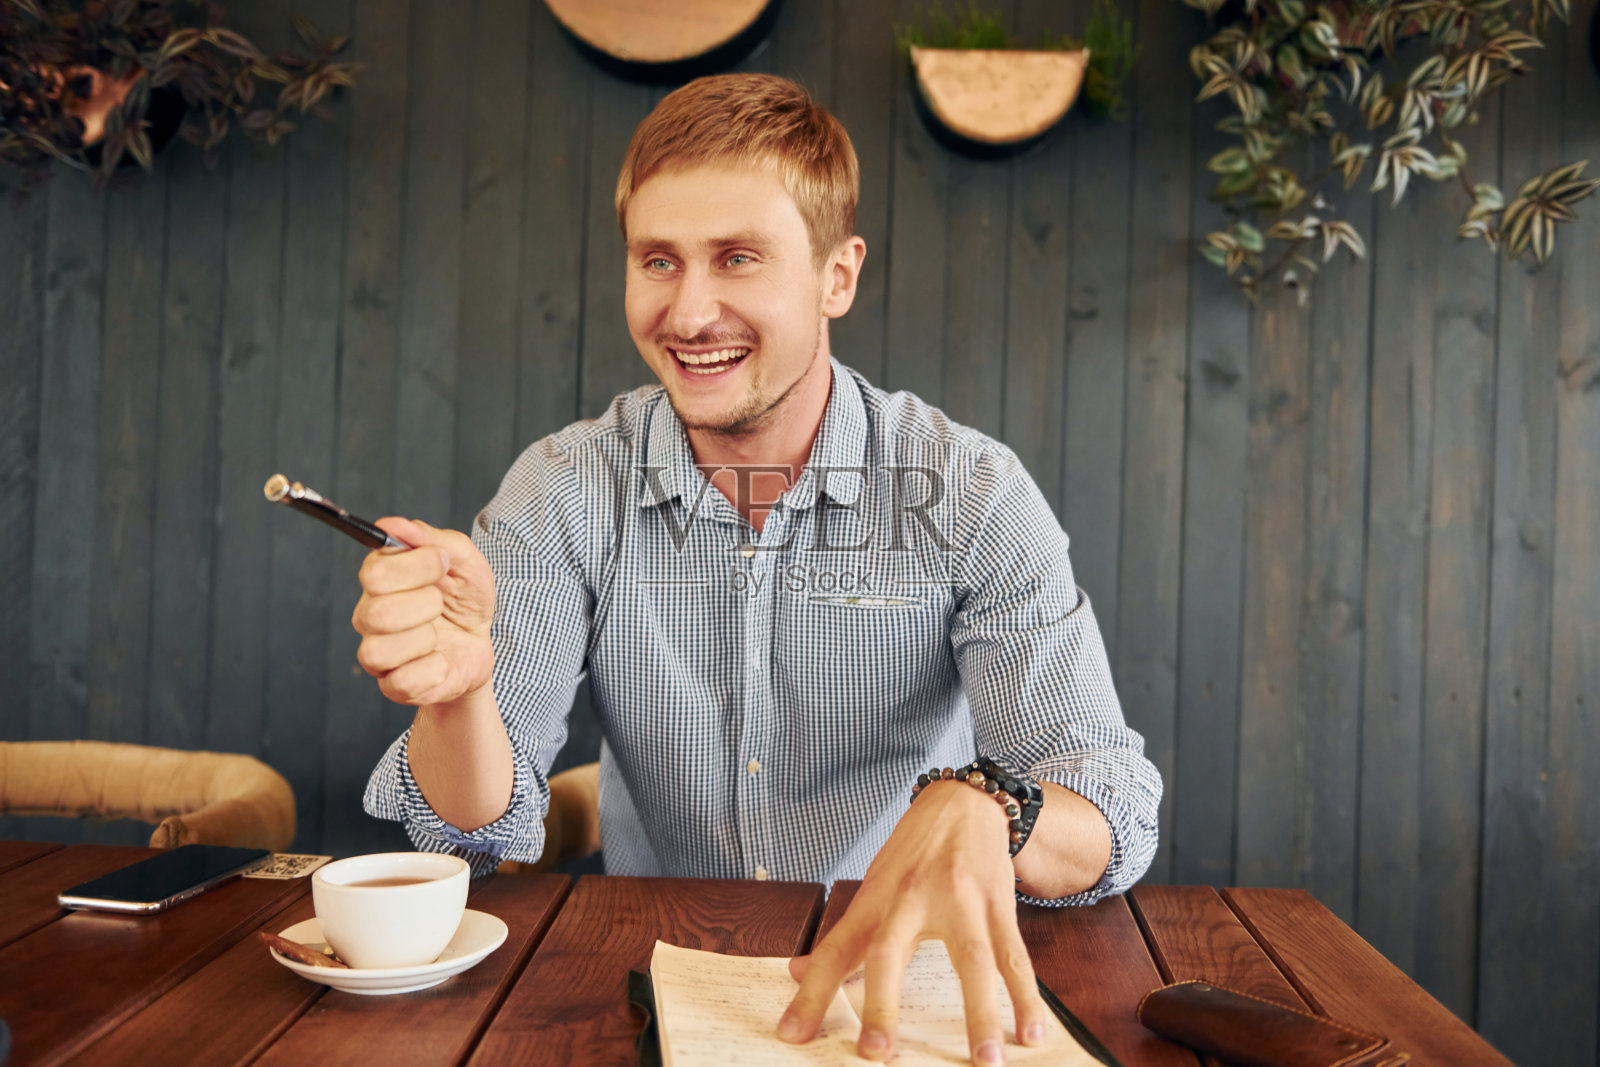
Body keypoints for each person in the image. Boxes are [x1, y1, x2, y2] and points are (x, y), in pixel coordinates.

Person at [354, 73, 1161, 1065]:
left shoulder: (970, 492)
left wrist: (995, 804)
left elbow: (1112, 816)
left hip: (905, 1004)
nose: (689, 313)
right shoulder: (563, 489)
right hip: (654, 986)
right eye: (658, 260)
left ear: (837, 276)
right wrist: (459, 698)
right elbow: (476, 841)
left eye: (738, 258)